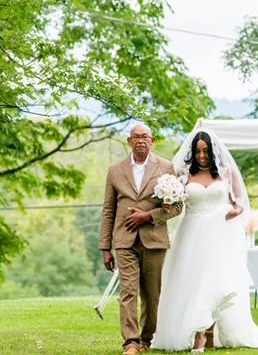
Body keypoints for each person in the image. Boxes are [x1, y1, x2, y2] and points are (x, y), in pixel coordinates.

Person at [152, 129, 258, 352]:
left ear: (213, 152)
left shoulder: (226, 173)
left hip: (219, 233)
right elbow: (173, 202)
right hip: (192, 233)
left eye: (205, 151)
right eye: (198, 151)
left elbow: (239, 203)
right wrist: (166, 200)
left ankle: (206, 334)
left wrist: (235, 211)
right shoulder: (183, 175)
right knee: (193, 281)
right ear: (193, 152)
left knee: (215, 282)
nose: (202, 155)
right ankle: (197, 333)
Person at [99, 123, 183, 355]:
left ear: (152, 140)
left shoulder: (166, 167)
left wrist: (149, 216)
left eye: (145, 136)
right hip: (124, 240)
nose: (140, 140)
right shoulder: (115, 170)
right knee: (128, 291)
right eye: (135, 137)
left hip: (154, 239)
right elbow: (108, 209)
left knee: (152, 294)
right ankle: (131, 343)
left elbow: (177, 206)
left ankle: (147, 338)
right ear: (129, 141)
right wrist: (105, 246)